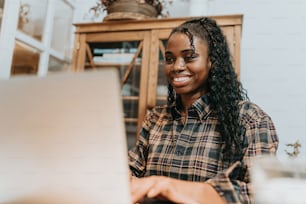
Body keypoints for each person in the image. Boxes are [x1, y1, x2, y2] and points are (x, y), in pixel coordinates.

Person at [128, 17, 279, 204]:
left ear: (212, 62)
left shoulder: (251, 120)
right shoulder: (156, 118)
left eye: (189, 57)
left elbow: (262, 194)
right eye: (169, 59)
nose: (177, 66)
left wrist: (168, 186)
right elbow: (132, 171)